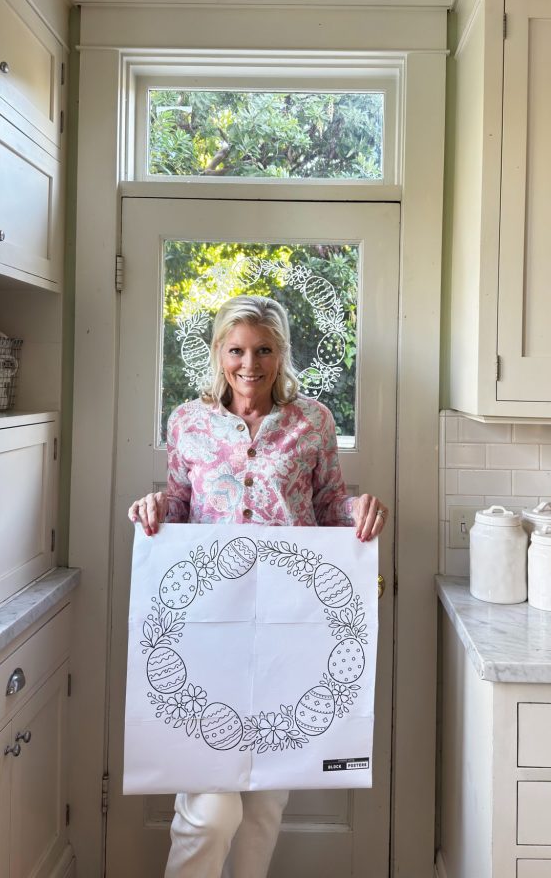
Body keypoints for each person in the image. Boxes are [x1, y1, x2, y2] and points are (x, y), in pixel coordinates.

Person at [128, 294, 388, 878]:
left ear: (281, 354)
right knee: (211, 808)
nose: (251, 364)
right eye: (238, 349)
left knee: (267, 802)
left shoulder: (313, 422)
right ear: (219, 352)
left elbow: (326, 505)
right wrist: (155, 505)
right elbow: (179, 502)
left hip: (289, 626)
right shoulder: (187, 422)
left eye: (264, 350)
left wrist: (360, 508)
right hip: (207, 628)